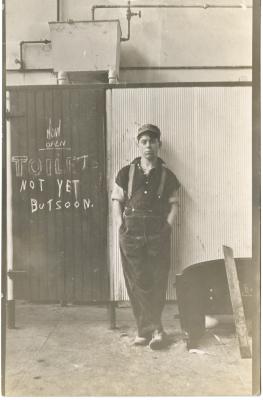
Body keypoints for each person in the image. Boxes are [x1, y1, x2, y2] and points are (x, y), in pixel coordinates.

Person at [111, 124, 180, 350]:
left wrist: (167, 228)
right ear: (138, 145)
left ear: (159, 144)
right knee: (138, 281)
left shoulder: (167, 176)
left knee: (157, 280)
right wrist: (121, 226)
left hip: (157, 234)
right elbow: (116, 202)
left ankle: (154, 330)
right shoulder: (126, 172)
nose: (148, 146)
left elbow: (174, 205)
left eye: (152, 141)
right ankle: (148, 330)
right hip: (131, 233)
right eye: (144, 141)